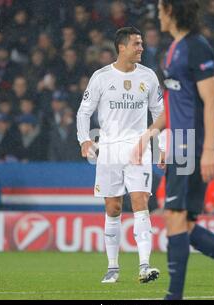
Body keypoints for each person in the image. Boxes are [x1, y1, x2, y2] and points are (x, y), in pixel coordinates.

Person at [133, 0, 214, 300]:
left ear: (172, 11)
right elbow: (174, 103)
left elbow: (211, 100)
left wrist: (208, 150)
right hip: (179, 142)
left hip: (191, 143)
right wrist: (152, 134)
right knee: (184, 222)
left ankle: (173, 298)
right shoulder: (174, 48)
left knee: (175, 218)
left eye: (161, 9)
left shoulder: (197, 47)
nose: (158, 14)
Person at [77, 27, 162, 284]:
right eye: (137, 43)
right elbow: (83, 112)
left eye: (142, 43)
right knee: (113, 208)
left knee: (140, 202)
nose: (141, 48)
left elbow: (160, 113)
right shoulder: (101, 77)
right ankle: (113, 267)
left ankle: (145, 266)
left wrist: (162, 145)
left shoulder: (149, 76)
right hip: (110, 149)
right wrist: (84, 139)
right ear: (122, 47)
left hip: (139, 148)